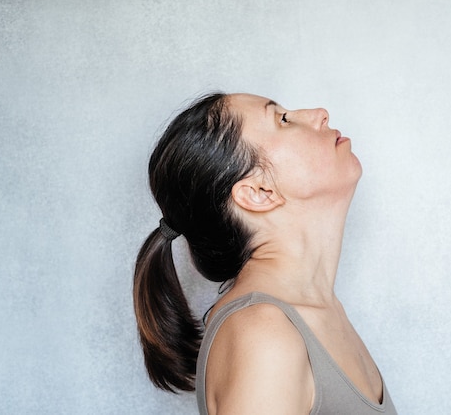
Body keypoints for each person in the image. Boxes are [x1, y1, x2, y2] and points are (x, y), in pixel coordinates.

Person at [133, 92, 398, 414]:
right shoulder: (263, 332)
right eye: (283, 119)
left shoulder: (315, 313)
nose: (320, 113)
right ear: (258, 193)